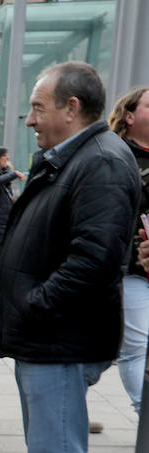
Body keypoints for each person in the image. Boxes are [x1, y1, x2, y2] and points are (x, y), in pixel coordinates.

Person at [0, 62, 141, 453]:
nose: (30, 119)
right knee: (48, 446)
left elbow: (97, 257)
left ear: (70, 108)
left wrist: (36, 302)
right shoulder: (77, 158)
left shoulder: (99, 161)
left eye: (38, 106)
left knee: (57, 449)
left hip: (60, 334)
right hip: (50, 333)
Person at [109, 87, 149, 413]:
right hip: (133, 268)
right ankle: (143, 411)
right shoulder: (118, 156)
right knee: (137, 347)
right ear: (130, 115)